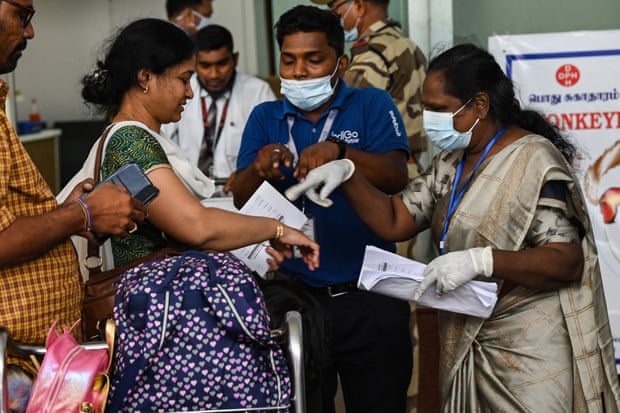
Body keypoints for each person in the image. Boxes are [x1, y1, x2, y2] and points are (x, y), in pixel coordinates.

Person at [286, 43, 620, 412]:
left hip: (531, 349)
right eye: (426, 107)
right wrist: (348, 173)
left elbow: (566, 260)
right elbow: (397, 219)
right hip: (468, 333)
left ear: (479, 105)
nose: (429, 119)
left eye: (438, 109)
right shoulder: (452, 162)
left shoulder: (533, 160)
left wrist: (482, 261)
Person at [233, 5, 412, 413]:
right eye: (289, 60)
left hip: (369, 293)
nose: (299, 72)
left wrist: (342, 152)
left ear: (340, 62)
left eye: (314, 60)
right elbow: (242, 197)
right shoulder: (266, 116)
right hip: (294, 297)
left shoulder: (369, 104)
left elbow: (395, 174)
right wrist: (259, 166)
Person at [63, 18, 319, 277]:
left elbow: (177, 228)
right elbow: (196, 226)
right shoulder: (131, 141)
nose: (190, 93)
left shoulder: (139, 136)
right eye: (184, 79)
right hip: (143, 300)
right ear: (145, 78)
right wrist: (277, 229)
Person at [0, 0, 146, 378]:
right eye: (23, 15)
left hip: (38, 356)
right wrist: (82, 213)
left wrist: (65, 210)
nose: (30, 32)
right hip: (13, 360)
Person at [161, 24, 276, 195]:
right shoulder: (179, 90)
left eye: (221, 64)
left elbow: (273, 148)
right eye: (205, 66)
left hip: (238, 194)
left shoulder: (258, 91)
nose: (214, 74)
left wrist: (248, 173)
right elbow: (161, 140)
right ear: (194, 63)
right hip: (188, 193)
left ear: (235, 59)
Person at [326, 0, 427, 166]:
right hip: (408, 166)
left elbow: (348, 120)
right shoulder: (404, 43)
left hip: (383, 171)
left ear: (359, 6)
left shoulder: (372, 55)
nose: (334, 18)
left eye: (336, 10)